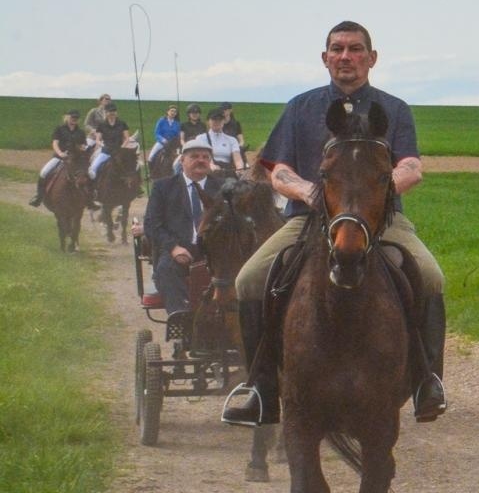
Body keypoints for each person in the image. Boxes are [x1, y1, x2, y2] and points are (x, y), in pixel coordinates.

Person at [220, 21, 447, 427]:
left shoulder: (393, 110)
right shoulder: (300, 108)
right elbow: (279, 171)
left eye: (355, 49)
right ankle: (261, 389)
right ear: (325, 58)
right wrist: (314, 194)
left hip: (380, 222)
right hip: (309, 219)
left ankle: (425, 382)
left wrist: (368, 197)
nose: (346, 56)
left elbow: (411, 167)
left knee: (430, 277)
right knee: (249, 281)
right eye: (337, 49)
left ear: (371, 58)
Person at [143, 136, 221, 330]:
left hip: (216, 251)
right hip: (178, 250)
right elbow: (152, 224)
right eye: (194, 156)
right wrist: (173, 248)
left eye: (205, 156)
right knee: (166, 270)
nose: (201, 160)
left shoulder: (222, 188)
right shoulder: (163, 187)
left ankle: (224, 319)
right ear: (182, 160)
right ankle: (181, 319)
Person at [30, 109, 93, 208]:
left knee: (89, 174)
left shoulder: (80, 132)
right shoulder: (59, 129)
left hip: (75, 159)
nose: (74, 119)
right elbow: (55, 143)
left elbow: (83, 145)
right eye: (72, 117)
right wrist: (60, 153)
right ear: (67, 117)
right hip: (60, 157)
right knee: (44, 172)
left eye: (76, 118)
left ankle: (90, 199)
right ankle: (39, 196)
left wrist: (82, 148)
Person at [88, 102, 137, 182]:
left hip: (119, 150)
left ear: (116, 113)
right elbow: (97, 140)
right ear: (106, 113)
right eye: (110, 111)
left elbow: (127, 138)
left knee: (133, 165)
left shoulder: (122, 124)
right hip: (106, 151)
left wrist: (122, 147)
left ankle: (136, 185)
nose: (112, 113)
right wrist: (103, 145)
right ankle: (94, 187)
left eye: (113, 111)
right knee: (93, 168)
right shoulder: (102, 125)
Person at [202, 108, 245, 173]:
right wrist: (211, 165)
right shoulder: (201, 138)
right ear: (208, 121)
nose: (217, 122)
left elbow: (238, 159)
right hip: (208, 172)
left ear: (224, 121)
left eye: (220, 119)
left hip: (227, 172)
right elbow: (202, 158)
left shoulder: (232, 140)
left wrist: (239, 169)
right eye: (214, 119)